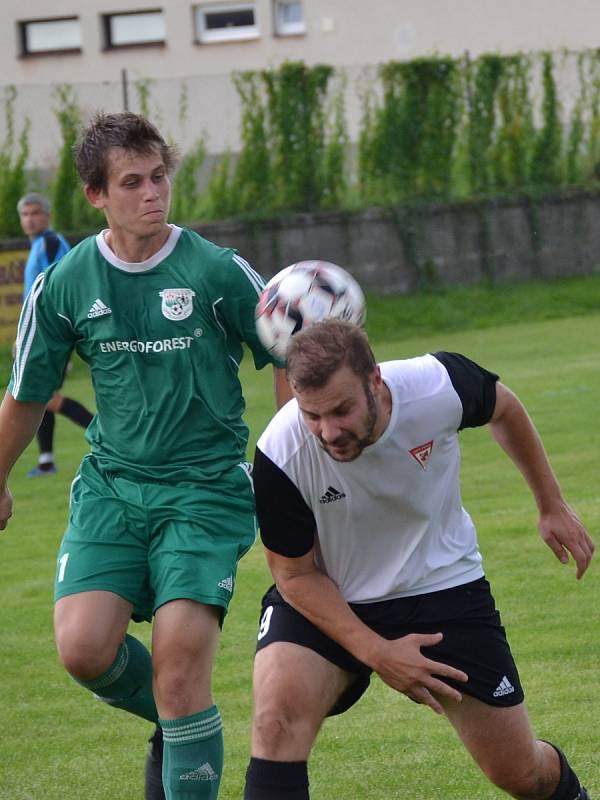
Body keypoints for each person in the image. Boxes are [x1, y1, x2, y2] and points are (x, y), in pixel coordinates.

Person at [0, 111, 291, 800]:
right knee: (83, 651)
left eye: (159, 176)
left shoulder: (216, 269)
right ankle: (176, 722)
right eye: (132, 182)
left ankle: (181, 715)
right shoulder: (66, 283)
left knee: (181, 670)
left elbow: (288, 355)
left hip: (206, 492)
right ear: (96, 194)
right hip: (112, 489)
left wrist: (290, 463)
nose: (152, 193)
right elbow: (26, 393)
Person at [243, 318, 594, 800]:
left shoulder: (436, 385)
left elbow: (503, 407)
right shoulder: (281, 451)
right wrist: (378, 652)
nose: (329, 431)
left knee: (521, 774)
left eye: (342, 410)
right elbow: (293, 574)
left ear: (375, 381)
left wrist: (550, 503)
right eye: (312, 415)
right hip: (330, 594)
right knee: (275, 719)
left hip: (443, 590)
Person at [17, 192, 94, 476]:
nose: (30, 219)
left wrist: (63, 338)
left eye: (35, 212)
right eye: (25, 214)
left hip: (52, 336)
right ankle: (46, 461)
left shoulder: (51, 243)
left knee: (44, 397)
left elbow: (63, 288)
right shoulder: (38, 245)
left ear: (47, 216)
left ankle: (101, 430)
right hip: (39, 336)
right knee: (45, 398)